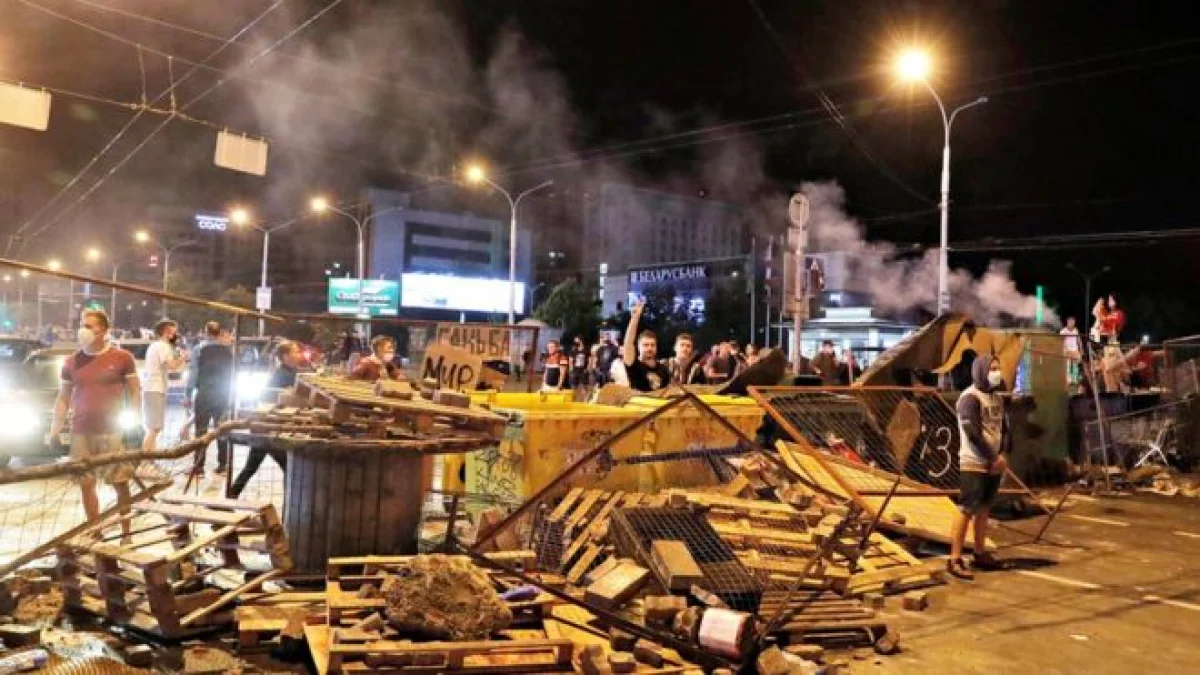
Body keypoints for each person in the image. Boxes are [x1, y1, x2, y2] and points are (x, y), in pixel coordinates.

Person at [50, 310, 140, 541]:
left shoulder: (122, 358)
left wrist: (135, 418)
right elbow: (63, 397)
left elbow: (135, 391)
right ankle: (96, 530)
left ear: (104, 329)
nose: (84, 330)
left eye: (90, 325)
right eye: (82, 324)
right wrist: (55, 427)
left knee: (120, 482)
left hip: (113, 431)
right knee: (86, 484)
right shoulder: (71, 362)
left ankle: (126, 532)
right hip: (81, 431)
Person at [948, 355, 1009, 579]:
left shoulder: (996, 398)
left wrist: (1002, 454)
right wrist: (993, 457)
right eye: (993, 368)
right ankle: (954, 558)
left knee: (984, 508)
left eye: (998, 367)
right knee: (966, 509)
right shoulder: (969, 398)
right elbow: (972, 432)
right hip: (973, 462)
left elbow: (1003, 429)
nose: (997, 372)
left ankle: (980, 552)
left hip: (992, 463)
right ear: (981, 370)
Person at [230, 341, 301, 498]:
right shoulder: (282, 374)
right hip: (268, 427)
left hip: (267, 427)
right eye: (295, 351)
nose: (299, 354)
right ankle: (289, 505)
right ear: (285, 356)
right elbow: (276, 399)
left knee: (251, 467)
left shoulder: (290, 372)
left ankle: (230, 497)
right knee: (289, 467)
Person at [188, 321, 234, 475]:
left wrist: (188, 394)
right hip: (223, 393)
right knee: (221, 428)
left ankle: (199, 466)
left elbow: (193, 373)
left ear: (205, 332)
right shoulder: (228, 351)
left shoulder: (199, 349)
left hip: (205, 392)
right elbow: (232, 374)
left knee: (201, 429)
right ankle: (222, 465)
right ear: (219, 333)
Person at [142, 319, 186, 452]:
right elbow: (171, 366)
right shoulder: (163, 346)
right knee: (155, 428)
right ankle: (146, 458)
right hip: (155, 388)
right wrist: (183, 357)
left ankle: (151, 456)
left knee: (153, 427)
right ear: (167, 333)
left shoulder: (156, 345)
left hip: (152, 388)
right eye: (174, 332)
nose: (176, 335)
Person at [621, 300, 670, 392]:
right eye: (645, 345)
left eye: (652, 345)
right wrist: (635, 318)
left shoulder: (663, 369)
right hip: (639, 405)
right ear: (638, 347)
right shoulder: (634, 365)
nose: (649, 348)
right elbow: (628, 343)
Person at [1060, 316, 1082, 387]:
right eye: (1070, 322)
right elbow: (1061, 341)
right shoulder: (1063, 331)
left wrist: (1081, 350)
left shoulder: (1076, 330)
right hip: (1067, 350)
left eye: (1073, 322)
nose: (1072, 323)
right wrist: (1065, 349)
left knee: (1075, 366)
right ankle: (1068, 380)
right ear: (1067, 322)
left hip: (1075, 350)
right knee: (1068, 366)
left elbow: (1079, 340)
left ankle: (1075, 380)